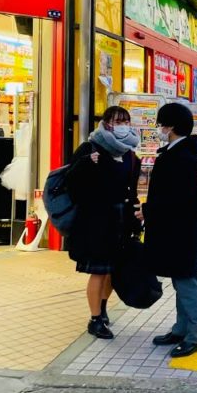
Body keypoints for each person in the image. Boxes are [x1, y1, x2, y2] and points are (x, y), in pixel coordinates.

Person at [140, 103, 197, 358]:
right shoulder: (176, 153)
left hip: (182, 230)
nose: (160, 129)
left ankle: (196, 335)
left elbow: (176, 198)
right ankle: (181, 328)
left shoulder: (183, 158)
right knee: (181, 279)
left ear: (172, 127)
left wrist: (148, 210)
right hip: (177, 229)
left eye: (162, 124)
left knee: (187, 280)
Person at [68, 107, 141, 340]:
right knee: (98, 272)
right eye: (117, 121)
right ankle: (95, 319)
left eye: (126, 121)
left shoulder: (131, 155)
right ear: (106, 123)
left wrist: (137, 217)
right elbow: (70, 181)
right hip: (96, 223)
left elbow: (131, 190)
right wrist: (86, 164)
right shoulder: (90, 148)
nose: (122, 125)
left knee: (112, 272)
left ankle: (102, 306)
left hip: (121, 222)